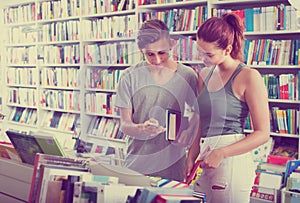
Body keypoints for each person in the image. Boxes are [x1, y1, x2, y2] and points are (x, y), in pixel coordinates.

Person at [184, 13, 270, 203]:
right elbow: (200, 120)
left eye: (209, 54)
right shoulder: (204, 75)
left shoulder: (249, 76)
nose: (202, 58)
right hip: (205, 155)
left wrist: (222, 152)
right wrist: (191, 154)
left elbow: (263, 133)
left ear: (227, 49)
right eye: (200, 52)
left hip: (231, 158)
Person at [115, 19, 199, 181]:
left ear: (171, 45)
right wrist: (141, 129)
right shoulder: (128, 77)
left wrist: (188, 133)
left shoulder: (187, 76)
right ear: (141, 50)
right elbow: (125, 125)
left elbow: (197, 118)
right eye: (150, 54)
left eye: (162, 53)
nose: (157, 60)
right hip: (136, 166)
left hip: (174, 168)